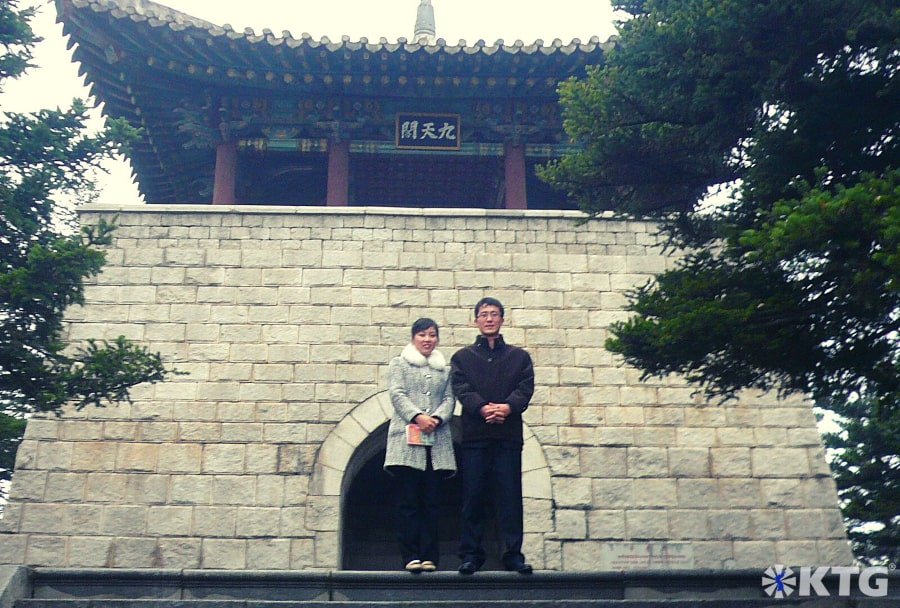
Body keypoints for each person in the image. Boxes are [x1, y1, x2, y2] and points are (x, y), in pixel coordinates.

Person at [450, 297, 535, 575]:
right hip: (475, 436)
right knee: (473, 496)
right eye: (484, 314)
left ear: (502, 319)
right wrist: (482, 407)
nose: (489, 319)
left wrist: (507, 407)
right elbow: (460, 386)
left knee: (510, 496)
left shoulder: (519, 357)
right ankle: (471, 554)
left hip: (508, 436)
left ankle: (513, 554)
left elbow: (525, 387)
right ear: (475, 320)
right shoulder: (462, 358)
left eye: (494, 314)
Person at [384, 318, 456, 573]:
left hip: (435, 442)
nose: (428, 340)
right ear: (414, 337)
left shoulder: (444, 370)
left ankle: (430, 555)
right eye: (422, 335)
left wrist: (436, 418)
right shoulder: (399, 364)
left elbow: (449, 399)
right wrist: (417, 416)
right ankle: (410, 554)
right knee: (408, 502)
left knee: (431, 502)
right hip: (407, 443)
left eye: (432, 335)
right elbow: (397, 393)